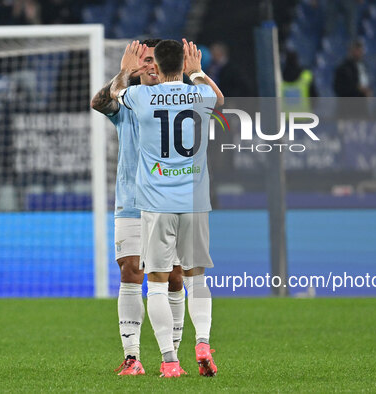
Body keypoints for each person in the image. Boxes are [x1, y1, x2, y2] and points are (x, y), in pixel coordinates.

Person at [110, 39, 224, 378]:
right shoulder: (199, 95)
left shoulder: (141, 97)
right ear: (183, 64)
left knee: (157, 284)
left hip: (156, 204)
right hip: (194, 203)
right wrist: (198, 71)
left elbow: (117, 92)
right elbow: (219, 100)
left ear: (156, 64)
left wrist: (124, 71)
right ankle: (202, 342)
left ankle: (170, 361)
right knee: (196, 279)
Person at [90, 39, 186, 376]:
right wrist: (122, 73)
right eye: (145, 61)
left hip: (170, 203)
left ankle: (170, 357)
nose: (150, 66)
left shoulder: (179, 101)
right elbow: (99, 102)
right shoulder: (127, 102)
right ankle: (132, 357)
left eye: (155, 61)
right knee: (131, 270)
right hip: (130, 203)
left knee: (174, 277)